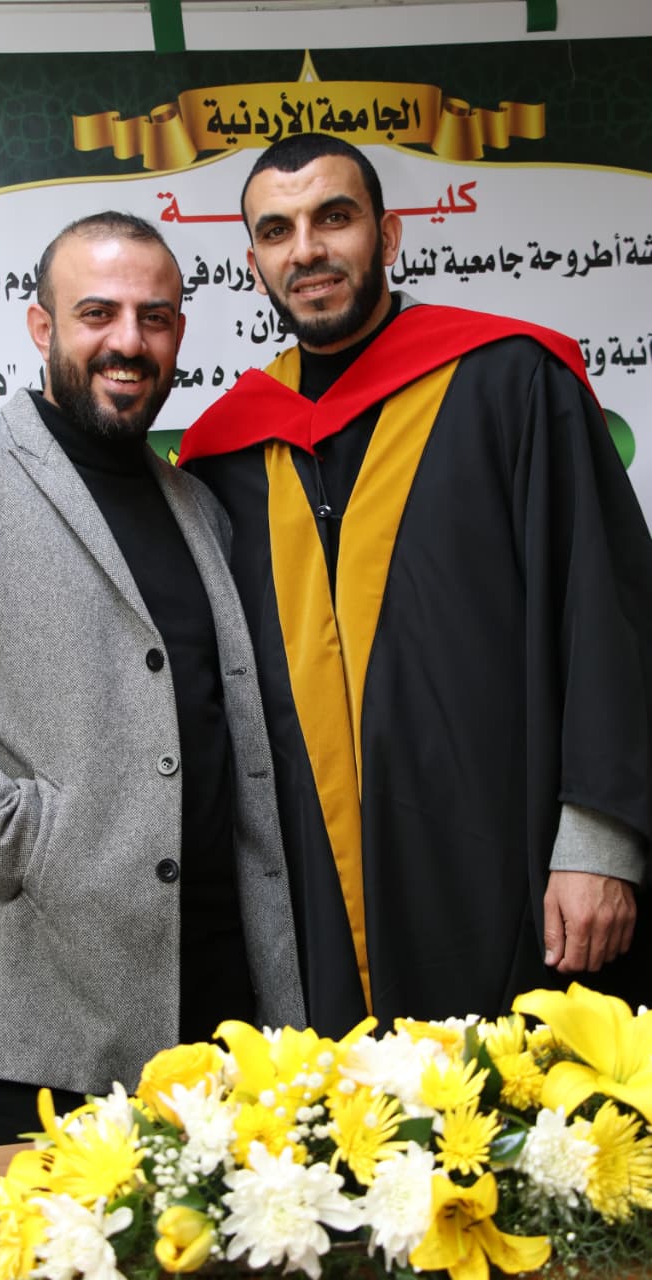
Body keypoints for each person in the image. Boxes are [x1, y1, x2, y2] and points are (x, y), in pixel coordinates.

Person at [0, 211, 305, 1149]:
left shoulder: (198, 504)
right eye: (97, 313)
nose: (129, 340)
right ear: (42, 326)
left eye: (154, 317)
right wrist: (24, 841)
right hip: (28, 1028)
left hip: (216, 1013)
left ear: (178, 332)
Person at [179, 135, 652, 1036]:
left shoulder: (510, 383)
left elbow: (607, 611)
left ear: (387, 235)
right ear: (254, 263)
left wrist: (601, 845)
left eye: (333, 217)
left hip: (511, 861)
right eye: (277, 231)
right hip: (315, 891)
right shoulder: (224, 453)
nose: (306, 249)